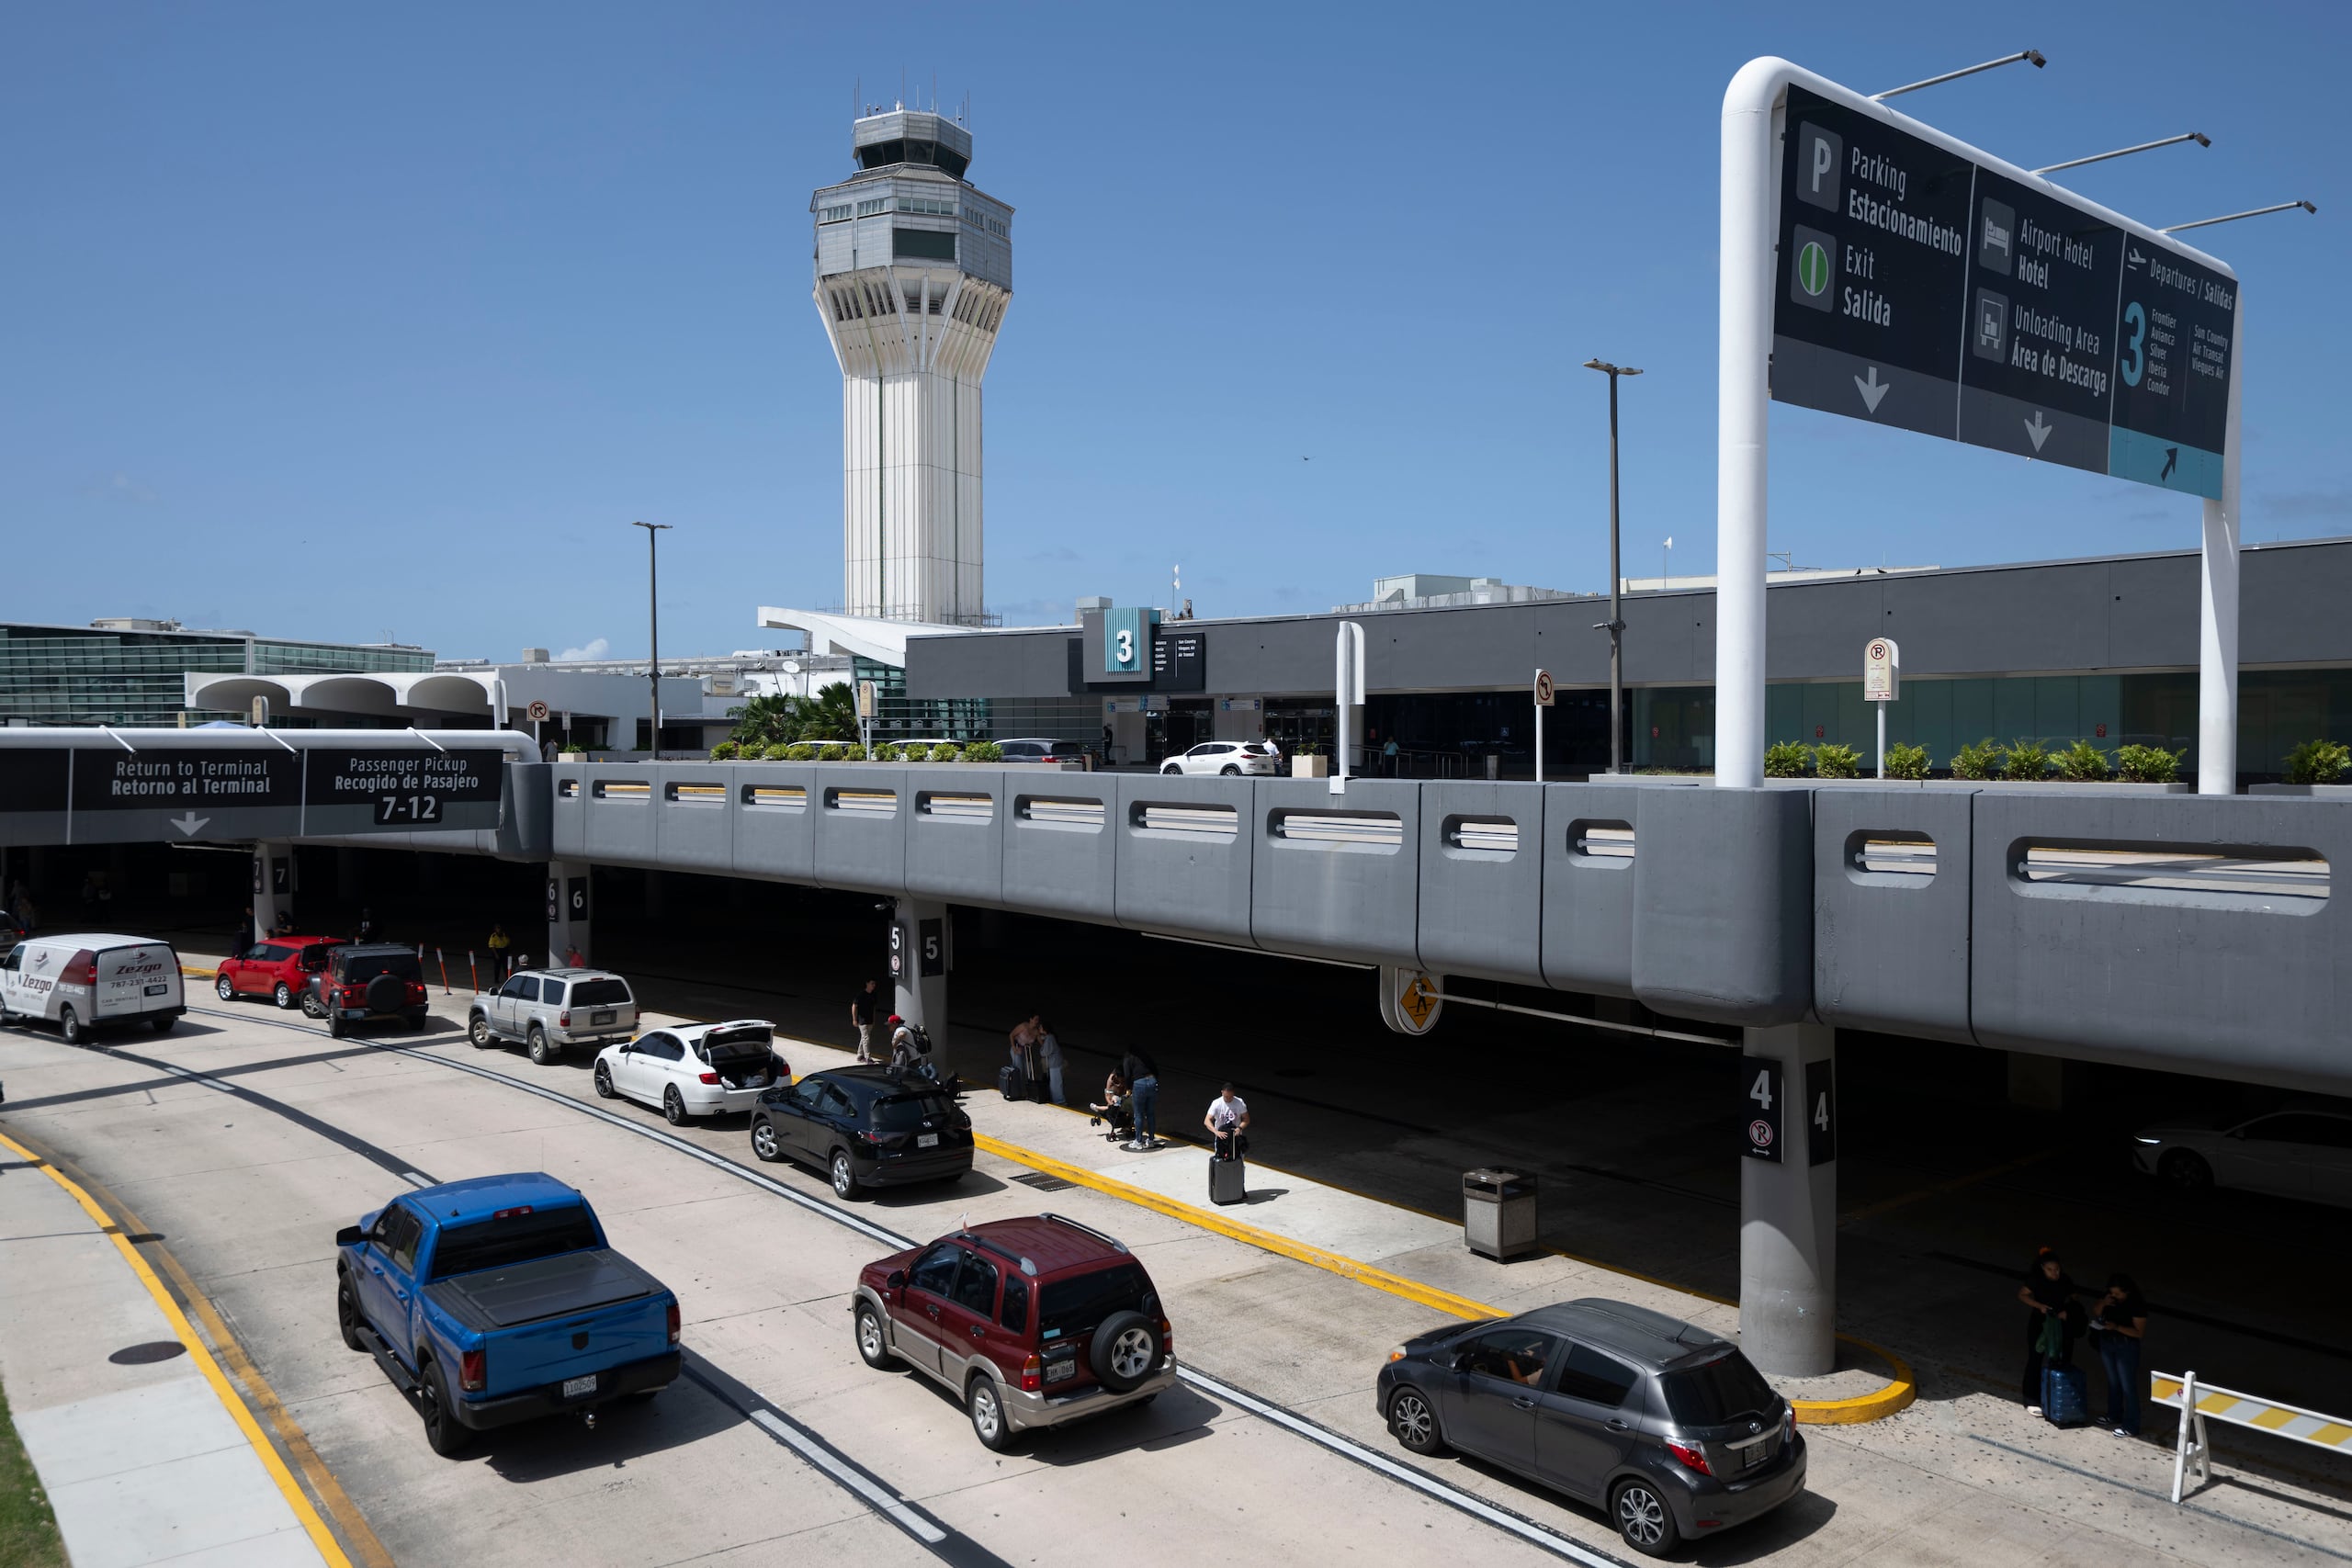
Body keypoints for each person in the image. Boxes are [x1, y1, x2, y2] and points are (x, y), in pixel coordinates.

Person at [2017, 1247, 2086, 1415]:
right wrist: (2039, 1306)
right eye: (2050, 1270)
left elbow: (2075, 1298)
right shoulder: (2036, 1280)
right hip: (2040, 1322)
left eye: (2057, 1269)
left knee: (2060, 1358)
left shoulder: (2065, 1280)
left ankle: (2057, 1395)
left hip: (2059, 1322)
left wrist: (2067, 1311)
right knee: (2035, 1358)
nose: (2055, 1273)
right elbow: (2022, 1295)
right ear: (2042, 1268)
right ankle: (2031, 1398)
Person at [2089, 1273, 2149, 1438]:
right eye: (2112, 1293)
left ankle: (2131, 1425)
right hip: (2107, 1342)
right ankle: (2114, 1414)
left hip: (2126, 1346)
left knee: (2127, 1386)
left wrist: (2116, 1327)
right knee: (2113, 1382)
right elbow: (2096, 1311)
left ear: (2127, 1292)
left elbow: (2138, 1332)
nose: (2114, 1296)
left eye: (2117, 1294)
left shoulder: (2137, 1305)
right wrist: (2104, 1302)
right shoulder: (2109, 1298)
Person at [1118, 1045, 1160, 1152]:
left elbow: (1127, 1075)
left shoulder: (1128, 1057)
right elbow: (1155, 1070)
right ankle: (1151, 1140)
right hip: (1152, 1081)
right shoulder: (1145, 1056)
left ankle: (1138, 1141)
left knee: (1139, 1114)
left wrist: (1128, 1088)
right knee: (1150, 1113)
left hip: (1139, 1084)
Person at [1204, 1082, 1250, 1160]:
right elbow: (1207, 1120)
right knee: (1221, 1160)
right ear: (1222, 1092)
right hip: (1221, 1137)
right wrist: (1216, 1132)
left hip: (1235, 1137)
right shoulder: (1216, 1103)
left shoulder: (1239, 1102)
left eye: (1230, 1097)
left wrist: (1239, 1128)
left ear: (1233, 1093)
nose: (1228, 1099)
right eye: (1226, 1097)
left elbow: (1246, 1119)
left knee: (1238, 1160)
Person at [1088, 1071, 1132, 1140]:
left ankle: (1096, 1107)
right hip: (1123, 1119)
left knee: (1108, 1109)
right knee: (1112, 1109)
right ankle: (1127, 1127)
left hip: (1115, 1119)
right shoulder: (1124, 1105)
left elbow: (1109, 1098)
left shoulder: (1114, 1108)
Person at [1036, 1021, 1067, 1106]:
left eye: (1041, 1027)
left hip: (1055, 1064)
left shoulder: (1050, 1038)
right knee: (1055, 1083)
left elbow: (1044, 1052)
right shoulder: (1050, 1037)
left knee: (1055, 1084)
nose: (1039, 1029)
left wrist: (1040, 1043)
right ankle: (1058, 1100)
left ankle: (1060, 1101)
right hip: (1055, 1063)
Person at [851, 978, 880, 1062]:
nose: (873, 985)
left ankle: (860, 1055)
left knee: (864, 1038)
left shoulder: (874, 995)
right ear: (867, 984)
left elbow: (874, 1008)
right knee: (866, 1038)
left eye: (874, 984)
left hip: (870, 1020)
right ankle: (868, 1057)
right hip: (862, 1020)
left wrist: (874, 1019)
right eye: (872, 983)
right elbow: (854, 1006)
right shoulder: (861, 995)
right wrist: (854, 1019)